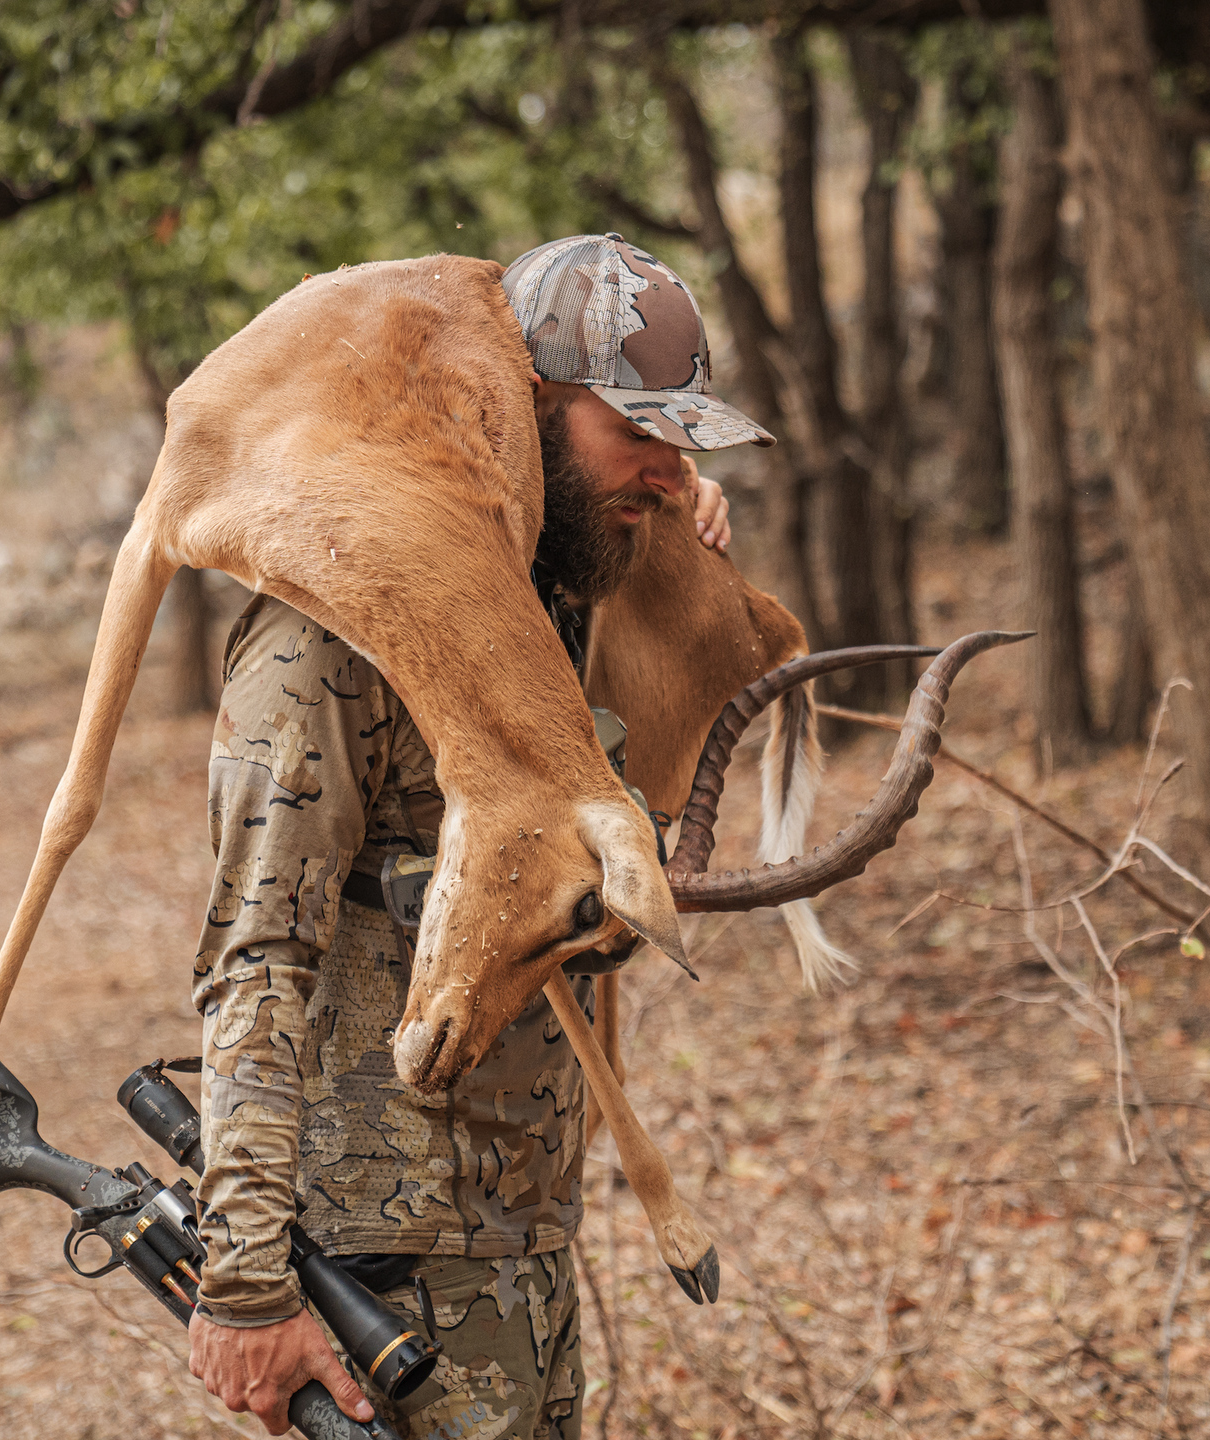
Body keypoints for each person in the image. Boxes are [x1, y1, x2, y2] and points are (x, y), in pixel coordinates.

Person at [184, 235, 775, 1440]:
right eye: (637, 434)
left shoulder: (537, 607)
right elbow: (254, 960)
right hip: (378, 1266)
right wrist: (245, 1283)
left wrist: (669, 555)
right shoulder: (321, 644)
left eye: (681, 444)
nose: (666, 471)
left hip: (515, 1228)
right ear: (525, 407)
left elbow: (587, 885)